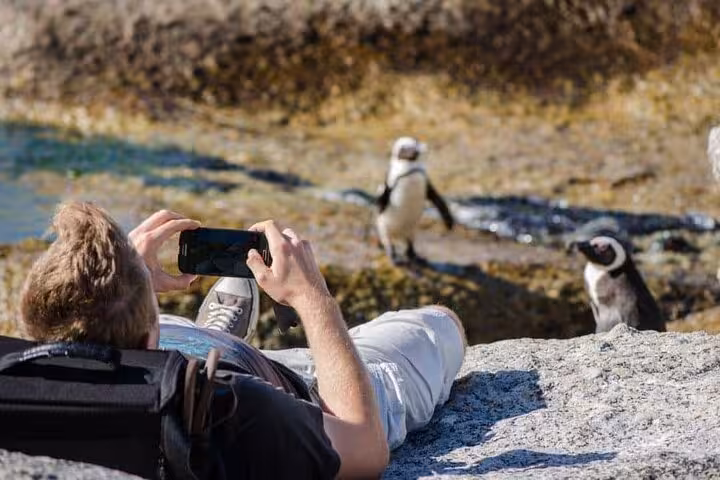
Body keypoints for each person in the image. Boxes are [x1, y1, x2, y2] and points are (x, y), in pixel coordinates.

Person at [20, 202, 466, 477]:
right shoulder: (234, 410)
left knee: (184, 336)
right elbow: (364, 450)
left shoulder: (18, 385)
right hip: (285, 388)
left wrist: (123, 285)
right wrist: (312, 297)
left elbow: (87, 335)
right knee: (440, 323)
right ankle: (218, 343)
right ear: (146, 338)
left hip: (158, 352)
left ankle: (215, 336)